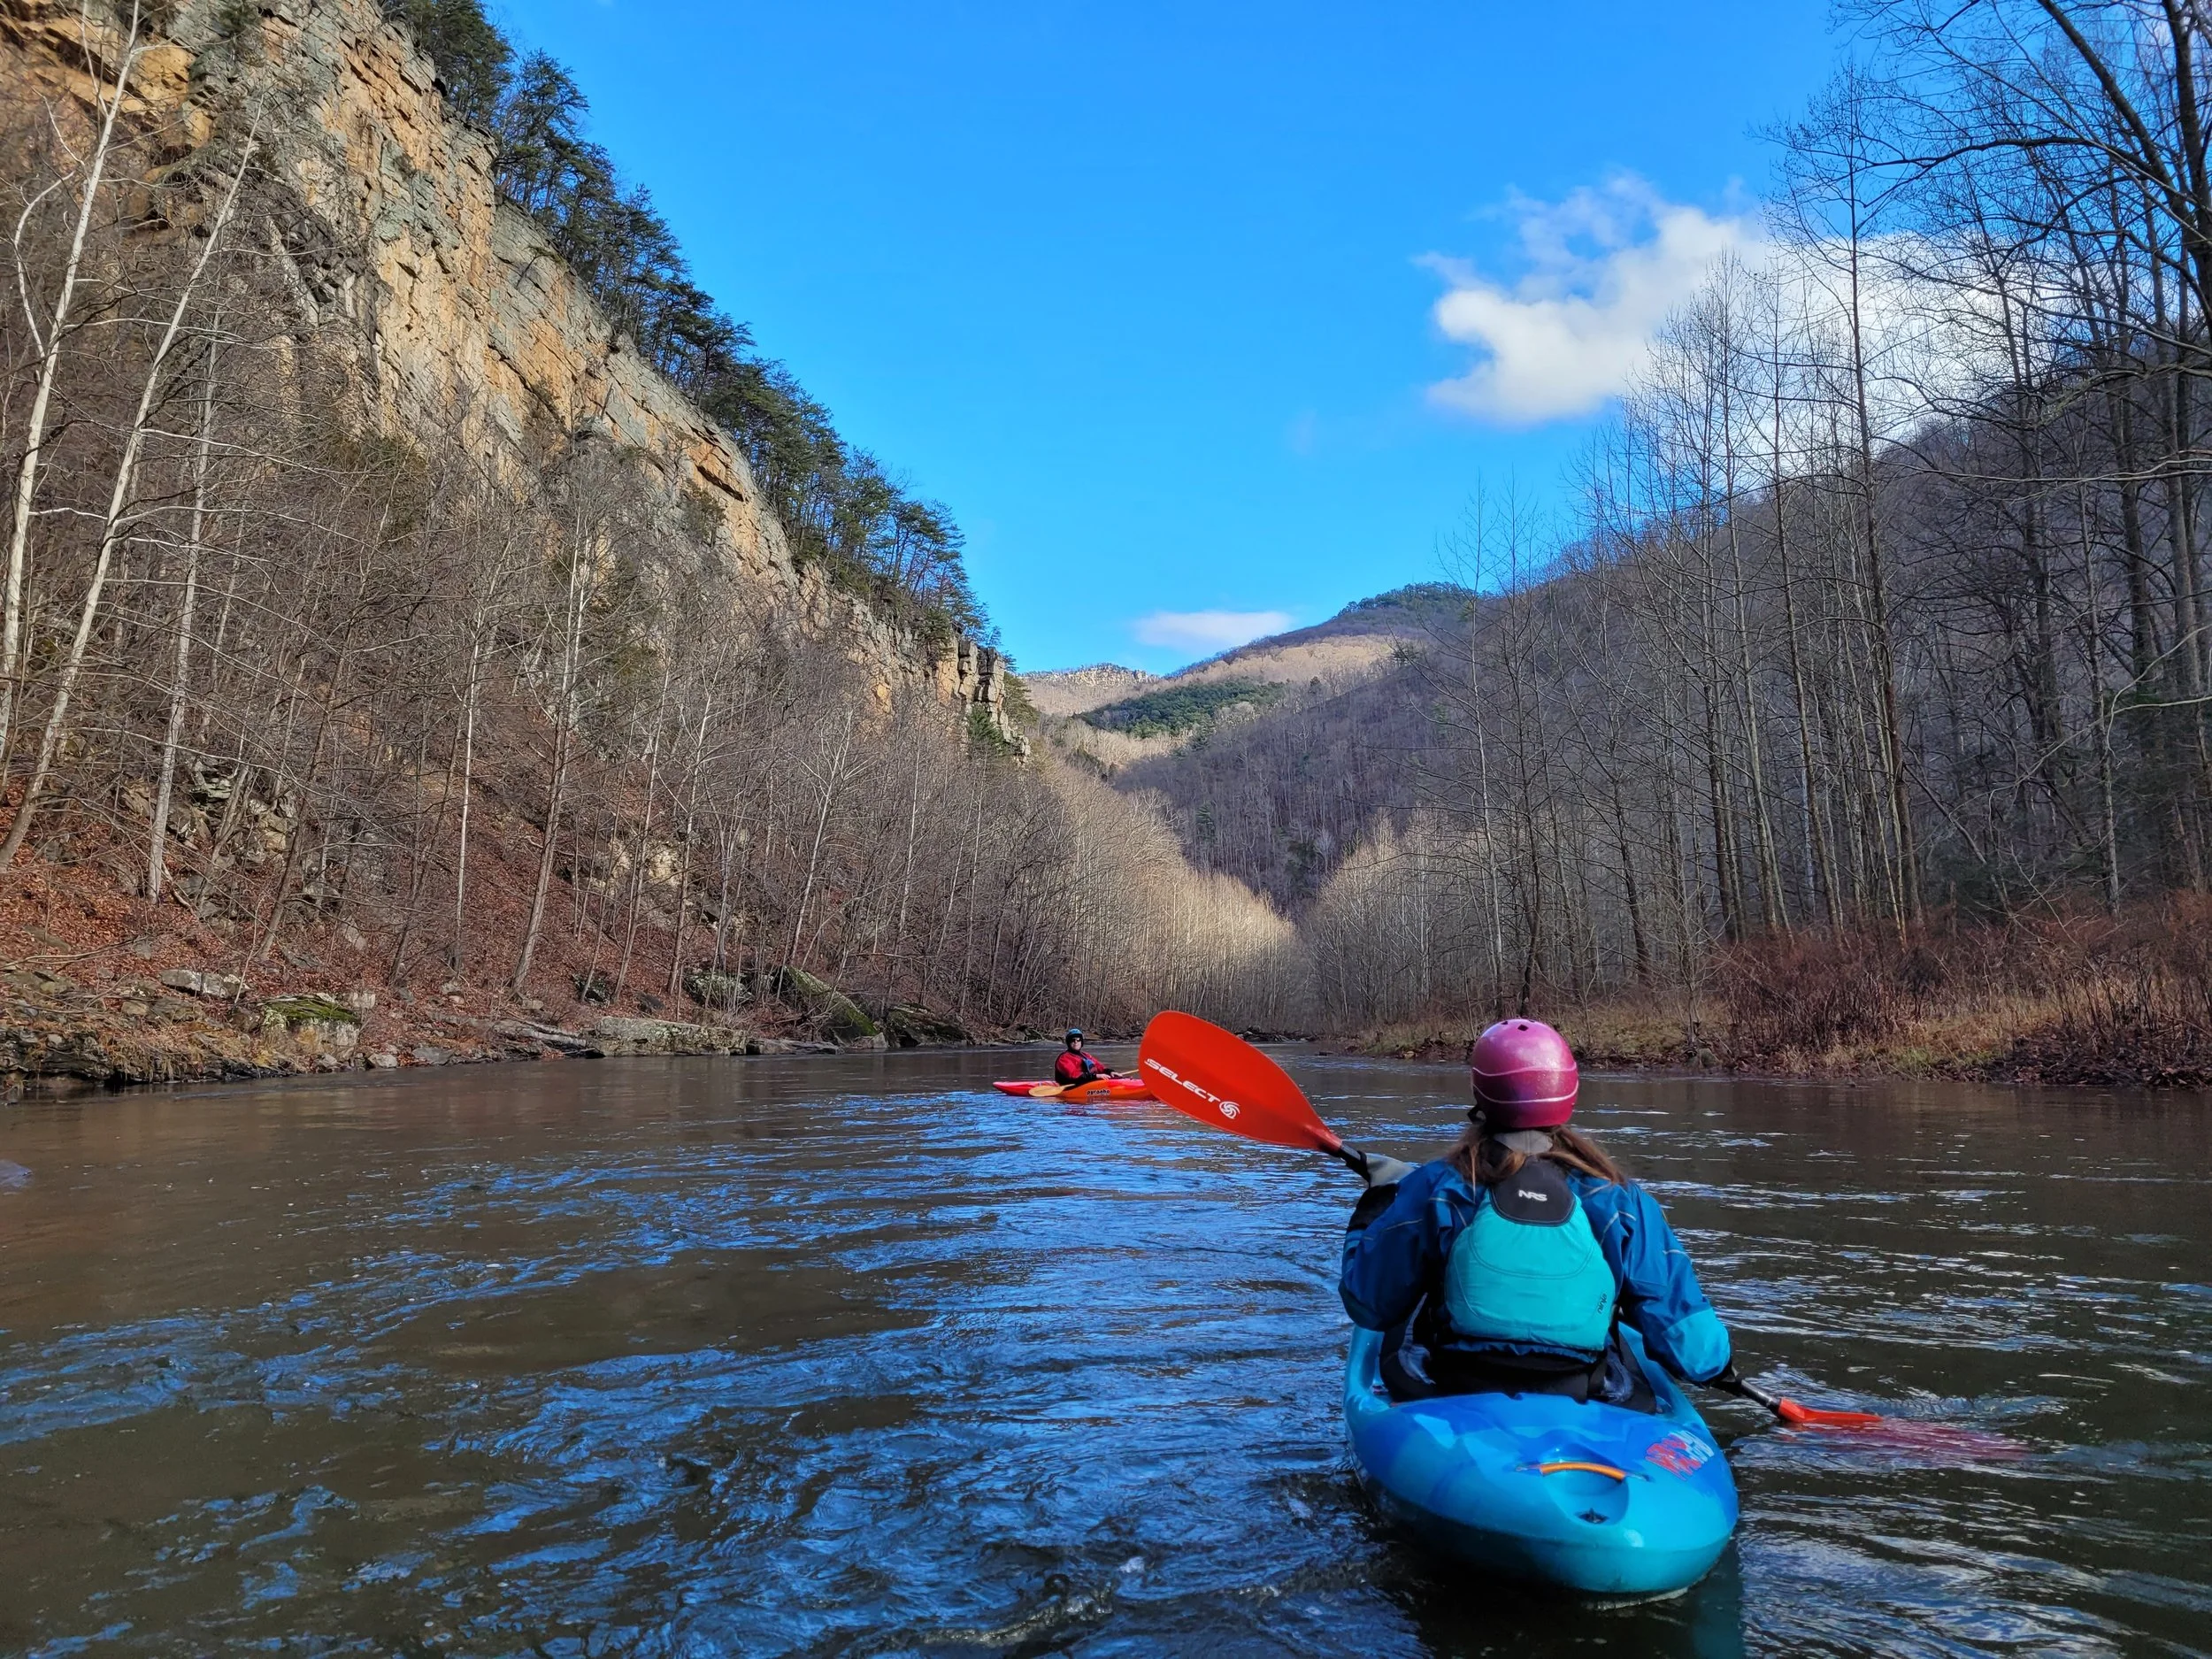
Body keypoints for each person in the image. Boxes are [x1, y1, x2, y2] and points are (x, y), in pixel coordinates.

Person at [1339, 1018, 1734, 1409]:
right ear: (1568, 1091)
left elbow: (1368, 1305)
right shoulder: (1620, 1200)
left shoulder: (1435, 1187)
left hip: (1456, 1380)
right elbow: (1695, 1355)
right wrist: (1720, 1369)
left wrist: (1374, 1208)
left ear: (1481, 1092)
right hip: (1579, 1384)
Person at [1053, 1028, 1118, 1087]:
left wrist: (1109, 1072)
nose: (1076, 1042)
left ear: (1081, 1042)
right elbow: (1074, 1075)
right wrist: (1095, 1076)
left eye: (1078, 1040)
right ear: (1068, 1042)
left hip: (1088, 1082)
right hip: (1072, 1086)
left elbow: (1098, 1066)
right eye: (1073, 1040)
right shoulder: (1063, 1058)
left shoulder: (1086, 1055)